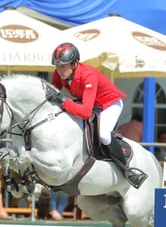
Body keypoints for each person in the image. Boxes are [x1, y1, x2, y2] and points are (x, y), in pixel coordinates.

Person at [49, 42, 146, 188]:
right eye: (57, 66)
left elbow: (85, 112)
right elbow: (53, 93)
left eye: (63, 65)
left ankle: (127, 169)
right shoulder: (59, 73)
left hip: (109, 104)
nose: (59, 70)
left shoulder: (88, 76)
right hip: (89, 103)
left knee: (103, 135)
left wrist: (63, 101)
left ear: (74, 64)